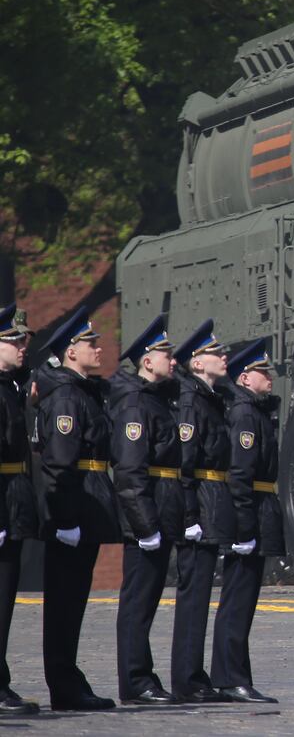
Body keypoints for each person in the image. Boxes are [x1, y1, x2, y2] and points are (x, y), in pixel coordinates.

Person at [32, 306, 120, 711]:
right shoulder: (67, 396)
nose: (97, 348)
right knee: (65, 603)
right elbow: (59, 464)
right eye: (89, 343)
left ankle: (68, 679)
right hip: (74, 510)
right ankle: (64, 684)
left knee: (73, 602)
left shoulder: (81, 391)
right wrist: (65, 520)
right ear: (70, 352)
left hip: (85, 506)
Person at [108, 314, 182, 705]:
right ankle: (136, 681)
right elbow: (131, 469)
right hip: (146, 517)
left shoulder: (155, 400)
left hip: (161, 511)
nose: (172, 359)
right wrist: (145, 525)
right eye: (165, 353)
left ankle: (141, 678)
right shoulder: (136, 404)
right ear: (146, 361)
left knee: (147, 602)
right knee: (137, 603)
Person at [212, 337, 282, 704]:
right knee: (238, 601)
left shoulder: (254, 411)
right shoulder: (244, 414)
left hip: (257, 507)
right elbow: (240, 473)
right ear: (244, 378)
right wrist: (245, 527)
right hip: (250, 511)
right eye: (261, 371)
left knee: (242, 602)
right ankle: (230, 678)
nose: (269, 377)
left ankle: (232, 675)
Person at [169, 320, 230, 704]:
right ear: (196, 363)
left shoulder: (208, 396)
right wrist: (190, 517)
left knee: (201, 596)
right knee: (193, 598)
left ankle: (194, 675)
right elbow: (185, 464)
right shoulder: (192, 401)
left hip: (211, 501)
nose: (225, 356)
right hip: (200, 505)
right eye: (216, 352)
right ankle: (187, 679)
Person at [0, 306, 39, 716]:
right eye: (14, 340)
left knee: (6, 603)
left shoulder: (10, 386)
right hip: (3, 503)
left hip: (12, 502)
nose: (22, 347)